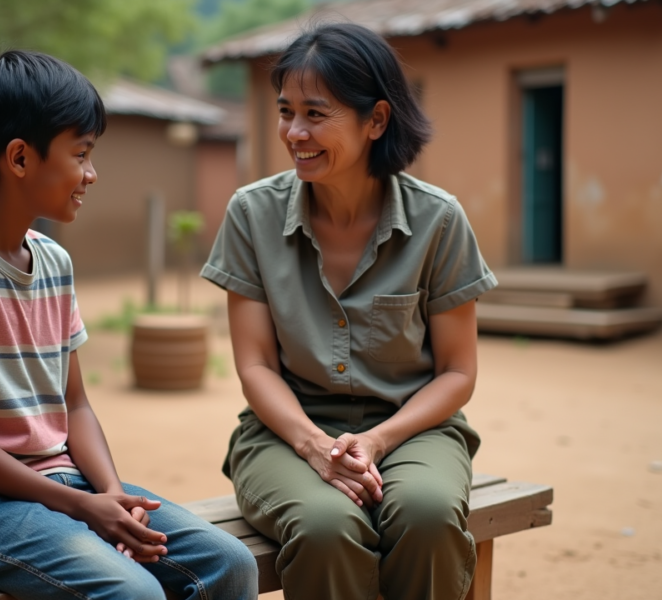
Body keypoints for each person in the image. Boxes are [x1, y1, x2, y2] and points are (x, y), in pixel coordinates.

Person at [0, 50, 258, 600]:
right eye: (80, 154)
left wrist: (111, 494)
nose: (91, 173)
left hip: (60, 483)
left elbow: (74, 405)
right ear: (19, 158)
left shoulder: (54, 261)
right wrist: (82, 506)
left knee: (231, 564)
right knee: (134, 594)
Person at [201, 23, 497, 600]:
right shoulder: (252, 215)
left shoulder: (439, 221)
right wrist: (314, 445)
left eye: (316, 114)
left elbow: (458, 372)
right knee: (323, 527)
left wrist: (379, 440)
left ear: (376, 120)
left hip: (413, 429)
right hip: (285, 432)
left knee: (428, 516)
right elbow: (256, 365)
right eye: (285, 112)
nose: (294, 132)